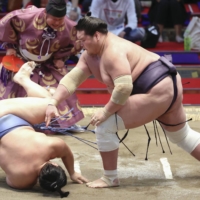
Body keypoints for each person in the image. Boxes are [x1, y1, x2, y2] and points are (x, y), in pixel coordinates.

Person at [45, 16, 200, 188]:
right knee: (182, 135)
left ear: (96, 35)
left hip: (155, 89)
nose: (81, 44)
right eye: (79, 41)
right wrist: (53, 101)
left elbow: (124, 88)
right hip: (167, 84)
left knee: (104, 125)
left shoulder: (113, 51)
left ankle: (110, 178)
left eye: (83, 40)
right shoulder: (90, 55)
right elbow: (72, 80)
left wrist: (105, 112)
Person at [0, 61, 88, 197]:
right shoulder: (20, 182)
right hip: (9, 125)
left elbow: (66, 154)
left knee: (50, 103)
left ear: (56, 164)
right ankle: (23, 79)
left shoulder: (52, 145)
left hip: (7, 116)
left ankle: (23, 79)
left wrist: (73, 173)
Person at [0, 0, 84, 132]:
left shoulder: (70, 26)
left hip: (48, 62)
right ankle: (14, 122)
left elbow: (77, 42)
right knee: (15, 90)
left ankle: (63, 123)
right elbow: (6, 23)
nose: (57, 23)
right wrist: (10, 46)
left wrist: (61, 57)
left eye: (60, 19)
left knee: (60, 87)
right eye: (54, 19)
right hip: (21, 60)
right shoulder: (24, 17)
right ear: (45, 13)